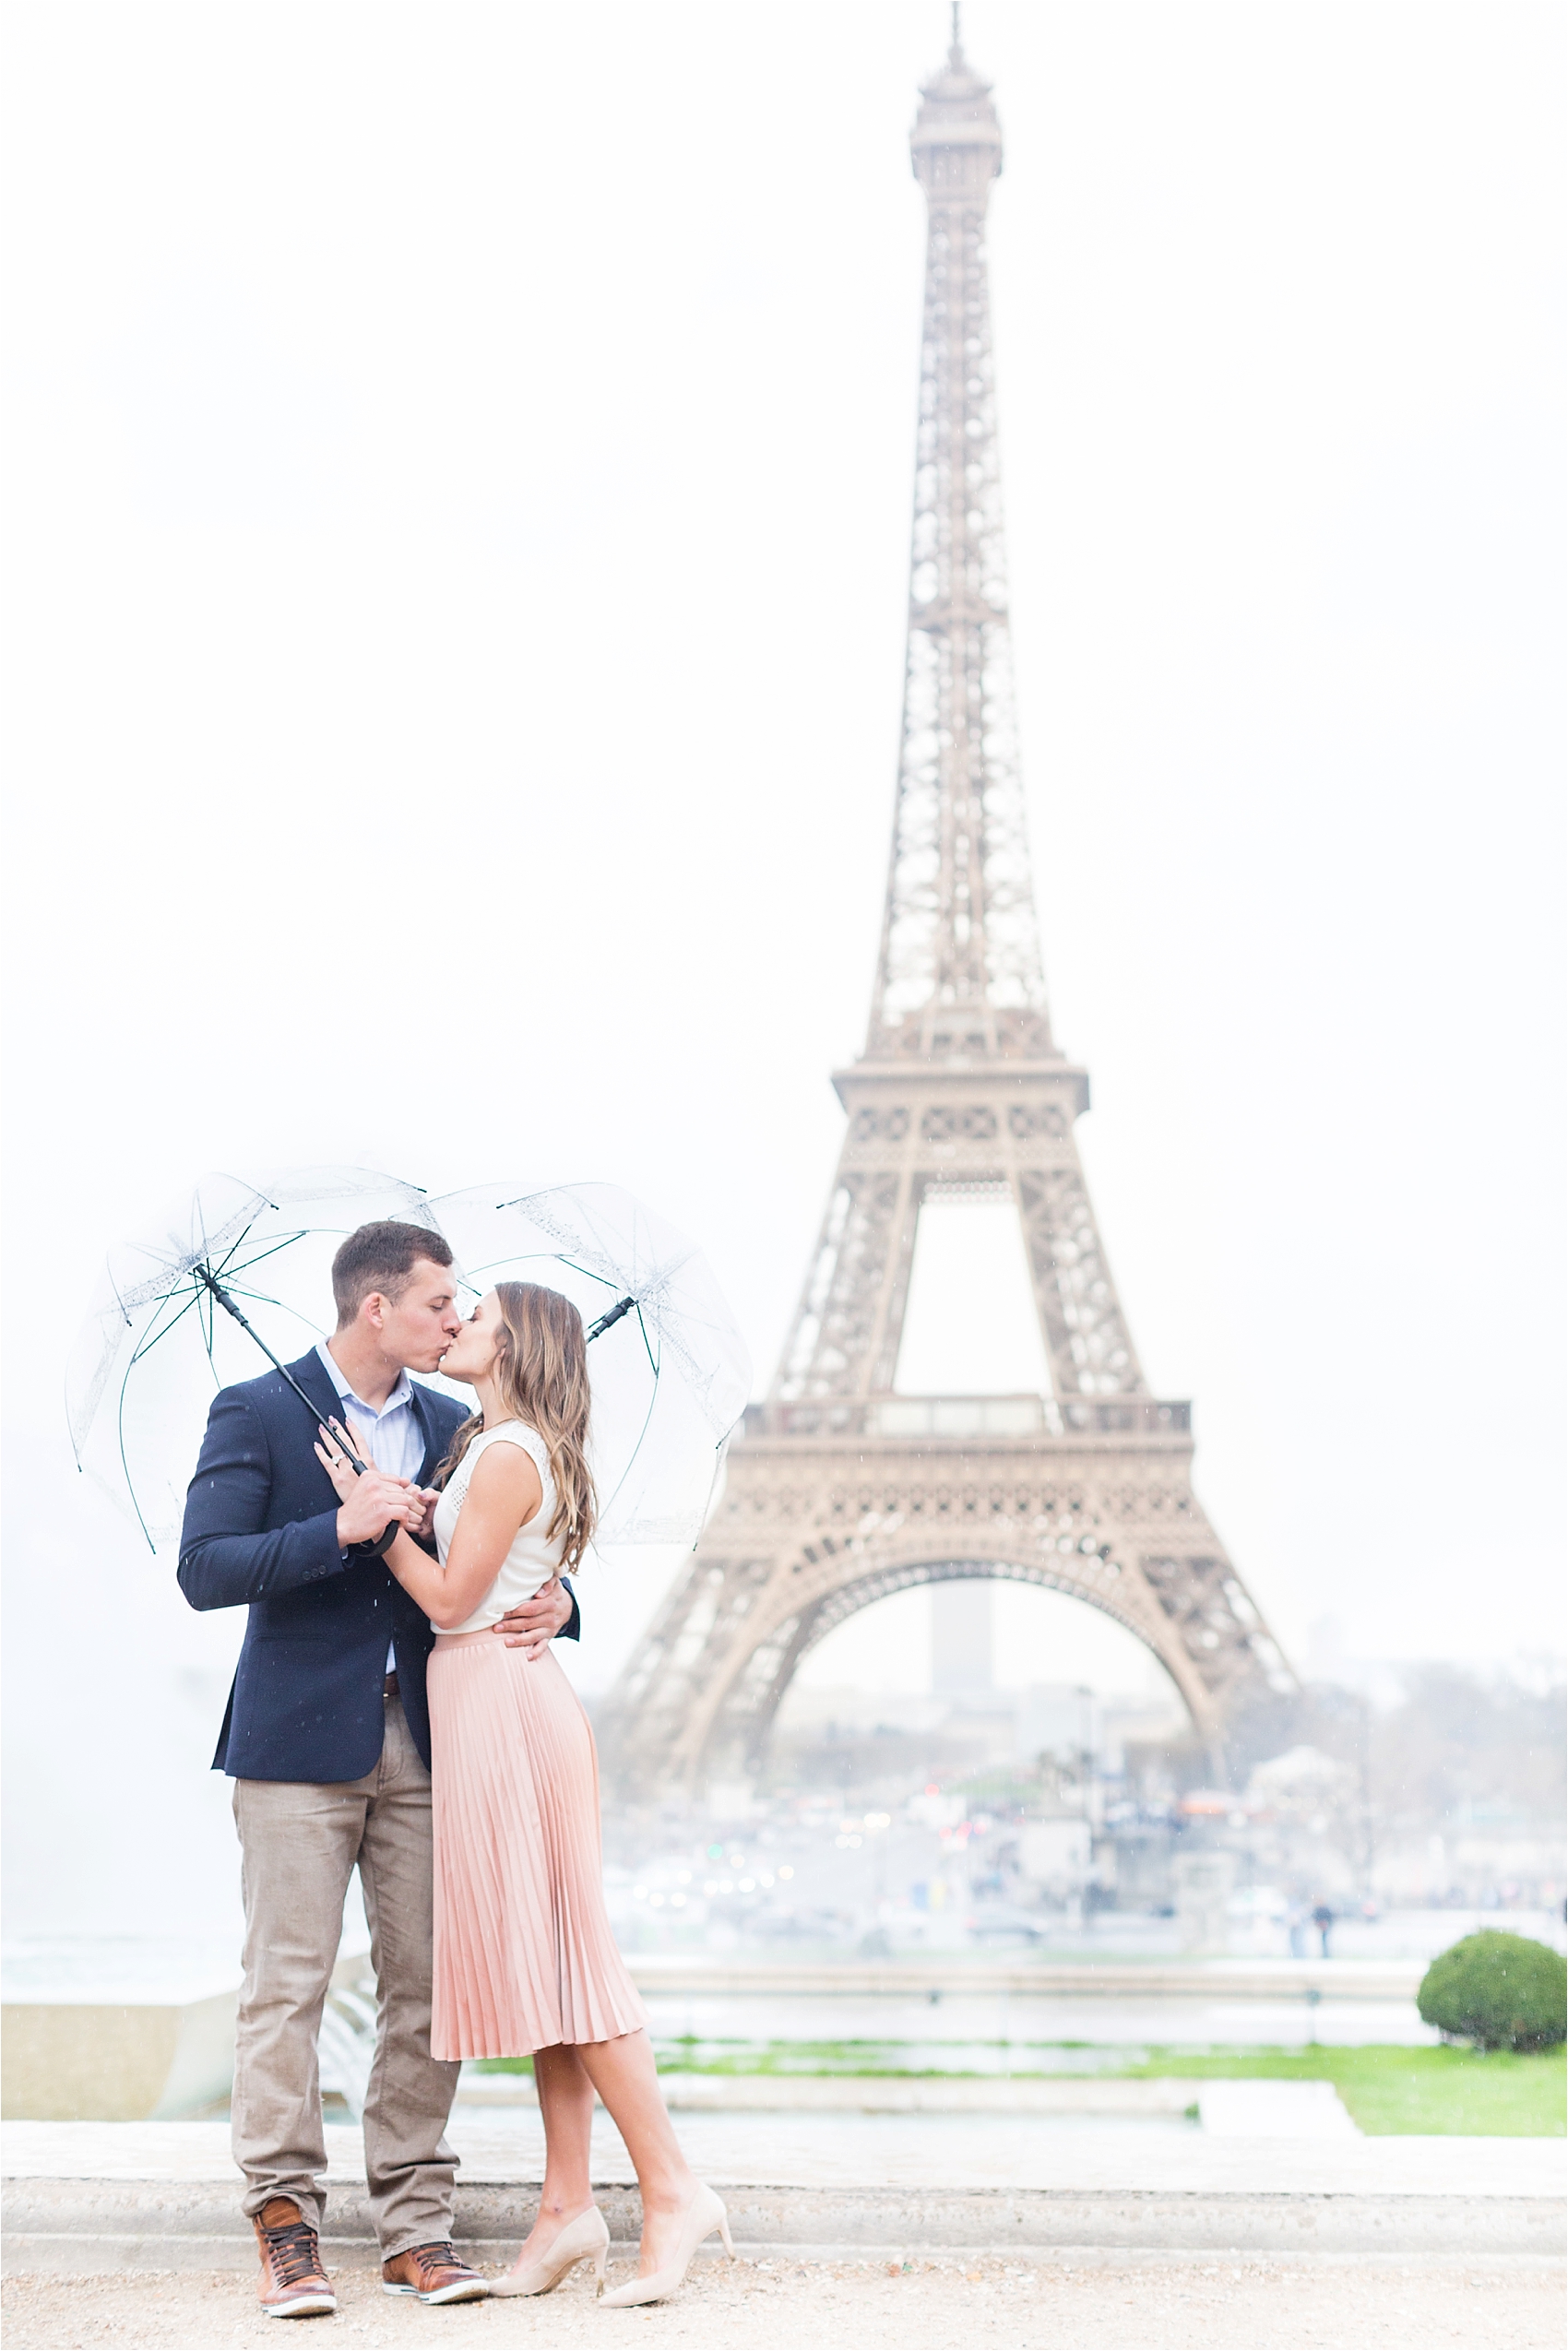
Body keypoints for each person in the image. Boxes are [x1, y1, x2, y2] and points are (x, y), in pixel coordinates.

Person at [178, 1222, 579, 2319]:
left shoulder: (459, 1423)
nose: (456, 1321)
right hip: (296, 1744)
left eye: (461, 1309)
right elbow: (202, 1569)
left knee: (426, 1981)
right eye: (440, 1304)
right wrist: (338, 1525)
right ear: (377, 1308)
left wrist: (566, 1604)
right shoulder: (257, 1409)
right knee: (287, 1983)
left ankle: (414, 2224)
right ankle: (285, 2225)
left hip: (435, 1737)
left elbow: (514, 1549)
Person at [316, 1278, 732, 2309]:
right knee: (549, 1963)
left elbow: (456, 1599)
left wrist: (375, 1525)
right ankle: (562, 2205)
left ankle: (672, 2186)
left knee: (569, 1960)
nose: (457, 1325)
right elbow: (493, 1572)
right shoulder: (494, 1444)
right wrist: (412, 1506)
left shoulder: (505, 1452)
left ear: (514, 1346)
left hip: (500, 1703)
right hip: (492, 1701)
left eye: (478, 1318)